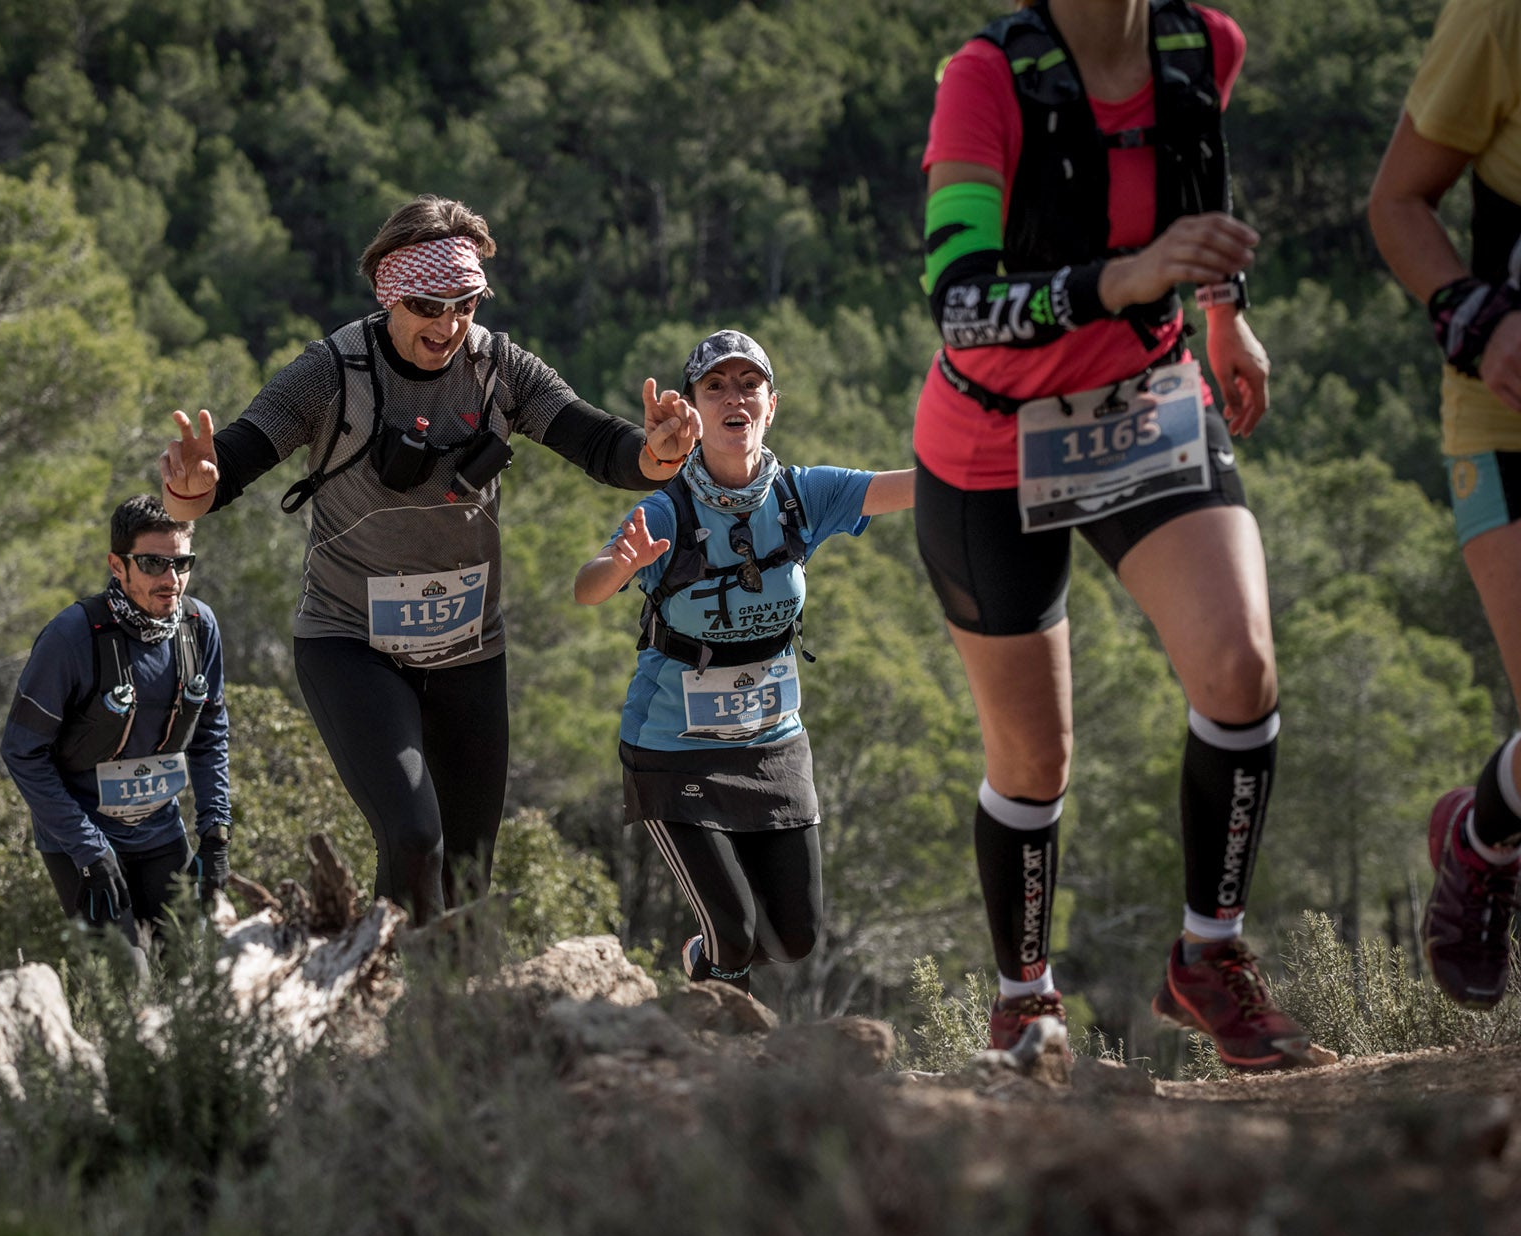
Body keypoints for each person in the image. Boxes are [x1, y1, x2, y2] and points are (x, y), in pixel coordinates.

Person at [915, 0, 1331, 1068]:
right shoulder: (985, 78)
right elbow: (955, 299)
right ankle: (1022, 1000)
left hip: (1143, 406)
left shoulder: (1203, 46)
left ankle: (1208, 956)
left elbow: (1196, 184)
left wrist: (1223, 313)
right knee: (1034, 756)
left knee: (1238, 672)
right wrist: (1123, 280)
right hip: (989, 443)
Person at [159, 195, 698, 925]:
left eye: (465, 305)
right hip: (351, 645)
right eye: (426, 305)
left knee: (469, 873)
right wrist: (191, 488)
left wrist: (656, 454)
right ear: (389, 294)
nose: (447, 325)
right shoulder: (331, 372)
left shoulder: (499, 368)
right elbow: (230, 467)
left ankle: (445, 1025)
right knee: (415, 837)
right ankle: (386, 1000)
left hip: (468, 652)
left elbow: (597, 443)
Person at [575, 330, 914, 988]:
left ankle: (709, 975)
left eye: (749, 384)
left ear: (771, 404)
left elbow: (910, 488)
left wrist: (996, 461)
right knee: (733, 932)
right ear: (694, 410)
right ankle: (723, 1055)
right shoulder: (666, 510)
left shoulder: (801, 496)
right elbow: (586, 588)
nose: (735, 397)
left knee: (794, 937)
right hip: (675, 746)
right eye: (716, 386)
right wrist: (618, 565)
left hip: (772, 744)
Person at [1370, 0, 1521, 1010]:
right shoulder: (1498, 18)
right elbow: (1395, 203)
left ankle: (1488, 819)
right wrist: (1478, 319)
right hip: (1505, 418)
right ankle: (1477, 848)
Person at [2, 496, 230, 976]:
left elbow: (209, 733)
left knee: (194, 981)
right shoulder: (70, 637)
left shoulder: (198, 627)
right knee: (129, 990)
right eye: (152, 564)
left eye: (181, 563)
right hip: (82, 844)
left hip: (161, 833)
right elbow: (22, 751)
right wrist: (88, 848)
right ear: (117, 565)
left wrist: (215, 833)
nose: (170, 580)